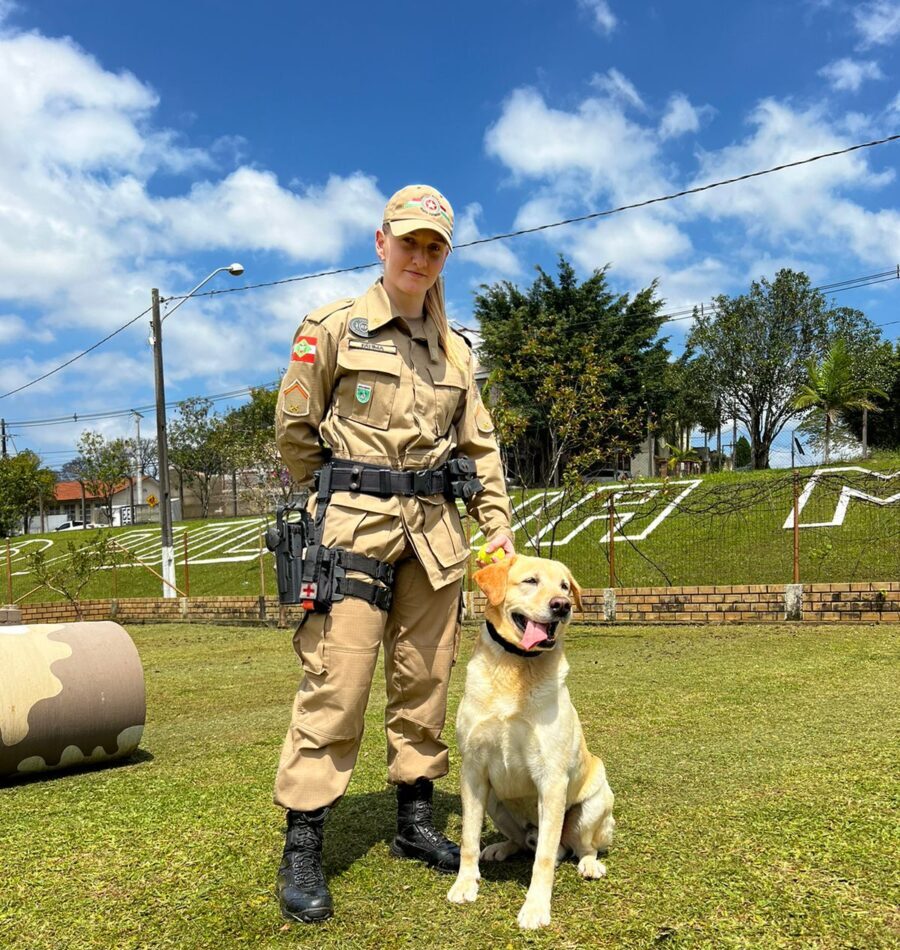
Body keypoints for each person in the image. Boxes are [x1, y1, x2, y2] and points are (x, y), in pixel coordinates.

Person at [272, 183, 515, 923]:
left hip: (436, 538)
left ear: (445, 258)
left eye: (434, 246)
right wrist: (338, 496)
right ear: (381, 243)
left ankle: (414, 821)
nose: (419, 255)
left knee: (425, 684)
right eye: (408, 241)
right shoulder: (336, 328)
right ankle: (305, 839)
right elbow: (293, 431)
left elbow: (481, 446)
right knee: (336, 684)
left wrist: (496, 522)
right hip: (350, 534)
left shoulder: (456, 351)